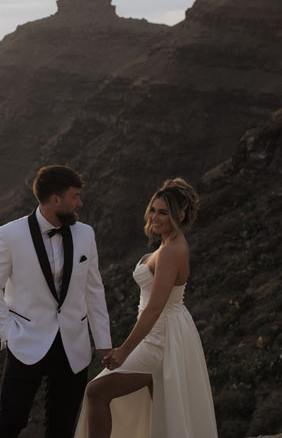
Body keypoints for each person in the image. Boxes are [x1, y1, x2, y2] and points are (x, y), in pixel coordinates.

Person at [74, 178, 218, 438]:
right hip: (160, 331)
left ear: (180, 215)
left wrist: (123, 351)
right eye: (153, 209)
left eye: (164, 212)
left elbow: (154, 309)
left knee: (96, 391)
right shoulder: (167, 245)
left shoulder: (172, 250)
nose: (155, 216)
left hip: (162, 337)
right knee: (161, 404)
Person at [0, 165, 113, 438]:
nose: (80, 203)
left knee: (62, 427)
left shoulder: (85, 234)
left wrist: (103, 342)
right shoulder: (10, 234)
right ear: (56, 199)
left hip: (73, 345)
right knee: (11, 420)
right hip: (25, 341)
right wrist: (7, 332)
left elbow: (94, 289)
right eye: (75, 196)